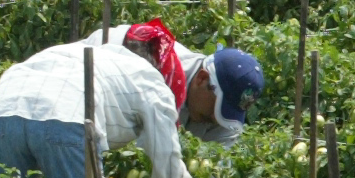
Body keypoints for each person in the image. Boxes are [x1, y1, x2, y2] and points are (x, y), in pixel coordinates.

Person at [0, 34, 202, 178]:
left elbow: (37, 132)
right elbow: (168, 170)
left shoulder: (90, 55)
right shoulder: (154, 84)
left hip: (2, 108)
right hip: (67, 114)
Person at [81, 17, 266, 149]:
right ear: (201, 79)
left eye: (227, 113)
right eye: (215, 110)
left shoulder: (223, 122)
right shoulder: (151, 68)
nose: (217, 120)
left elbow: (217, 177)